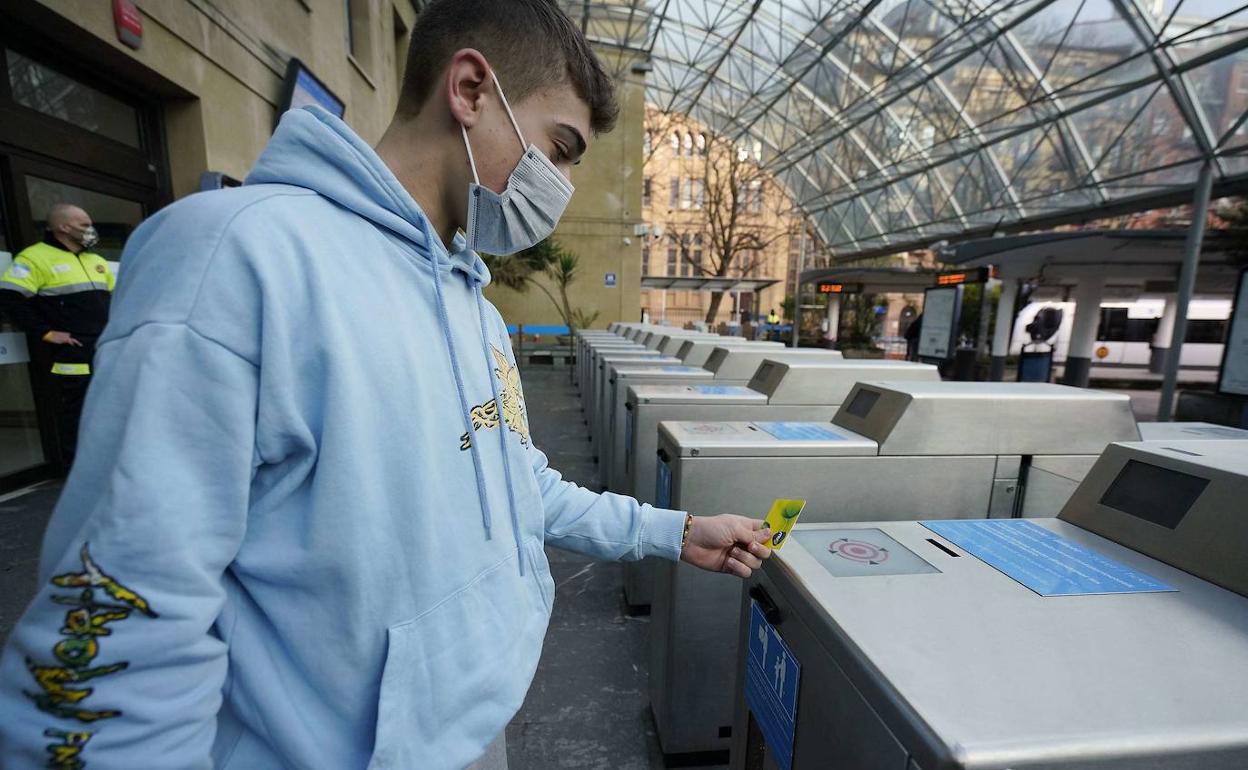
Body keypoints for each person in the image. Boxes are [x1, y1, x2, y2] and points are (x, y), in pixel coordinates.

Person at [0, 2, 773, 769]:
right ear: (470, 89)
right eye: (559, 148)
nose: (561, 186)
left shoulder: (469, 299)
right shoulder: (239, 257)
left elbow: (515, 484)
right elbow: (126, 615)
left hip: (470, 724)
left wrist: (673, 532)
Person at [0, 203, 112, 468]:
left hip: (103, 345)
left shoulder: (95, 260)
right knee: (76, 407)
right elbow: (9, 297)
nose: (90, 230)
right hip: (71, 349)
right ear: (63, 227)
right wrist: (46, 333)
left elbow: (114, 300)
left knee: (107, 403)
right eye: (84, 225)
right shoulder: (35, 257)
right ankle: (76, 468)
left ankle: (104, 461)